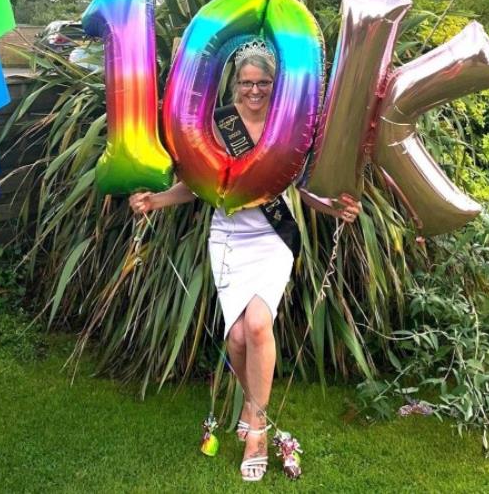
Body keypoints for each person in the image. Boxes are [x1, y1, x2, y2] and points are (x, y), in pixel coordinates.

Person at [130, 40, 361, 482]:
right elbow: (197, 185)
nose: (254, 90)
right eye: (247, 82)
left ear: (275, 85)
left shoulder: (287, 124)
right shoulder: (220, 127)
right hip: (230, 237)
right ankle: (249, 406)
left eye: (263, 83)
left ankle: (256, 426)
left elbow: (303, 187)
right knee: (236, 338)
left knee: (257, 325)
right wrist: (156, 201)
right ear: (235, 82)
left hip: (273, 238)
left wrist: (336, 209)